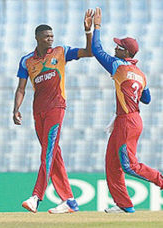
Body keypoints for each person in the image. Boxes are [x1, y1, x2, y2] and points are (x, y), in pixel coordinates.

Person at [13, 9, 94, 214]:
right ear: (37, 38)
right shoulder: (27, 61)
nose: (50, 39)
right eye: (46, 36)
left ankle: (36, 197)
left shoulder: (61, 51)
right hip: (37, 111)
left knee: (47, 152)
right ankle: (69, 201)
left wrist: (88, 32)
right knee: (53, 153)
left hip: (57, 108)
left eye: (52, 36)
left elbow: (89, 52)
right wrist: (16, 109)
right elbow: (21, 88)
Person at [92, 7, 163, 213]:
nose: (115, 48)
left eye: (118, 46)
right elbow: (147, 99)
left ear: (126, 52)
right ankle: (124, 205)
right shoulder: (140, 73)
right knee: (112, 164)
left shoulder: (118, 65)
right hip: (131, 119)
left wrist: (96, 27)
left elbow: (97, 51)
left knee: (129, 165)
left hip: (126, 122)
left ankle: (161, 180)